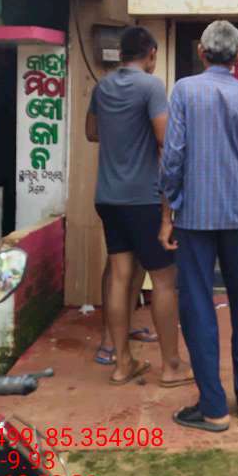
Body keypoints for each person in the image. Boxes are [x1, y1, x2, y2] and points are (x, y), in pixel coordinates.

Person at [158, 20, 238, 432]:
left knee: (197, 304)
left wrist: (167, 215)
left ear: (202, 53)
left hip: (195, 215)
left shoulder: (185, 91)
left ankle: (212, 407)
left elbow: (173, 158)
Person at [86, 26, 192, 388]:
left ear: (121, 54)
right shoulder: (151, 86)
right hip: (143, 198)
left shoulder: (102, 86)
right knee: (164, 280)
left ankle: (122, 363)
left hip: (108, 196)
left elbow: (91, 132)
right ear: (151, 54)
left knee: (119, 276)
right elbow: (164, 137)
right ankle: (172, 365)